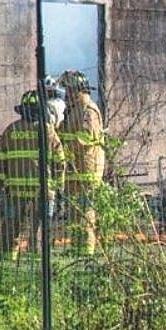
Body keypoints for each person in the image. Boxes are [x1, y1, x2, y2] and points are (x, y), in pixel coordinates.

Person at [0, 90, 65, 261]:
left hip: (15, 189)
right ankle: (38, 257)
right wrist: (59, 187)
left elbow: (0, 157)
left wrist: (4, 181)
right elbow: (60, 161)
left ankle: (8, 255)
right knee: (41, 225)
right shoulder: (48, 131)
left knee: (11, 223)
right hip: (43, 189)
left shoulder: (11, 130)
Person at [57, 69, 106, 255]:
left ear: (76, 89)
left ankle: (86, 251)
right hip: (75, 170)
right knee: (74, 211)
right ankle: (76, 247)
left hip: (86, 170)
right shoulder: (74, 109)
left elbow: (86, 137)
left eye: (68, 89)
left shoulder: (88, 109)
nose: (66, 94)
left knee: (85, 212)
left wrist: (64, 148)